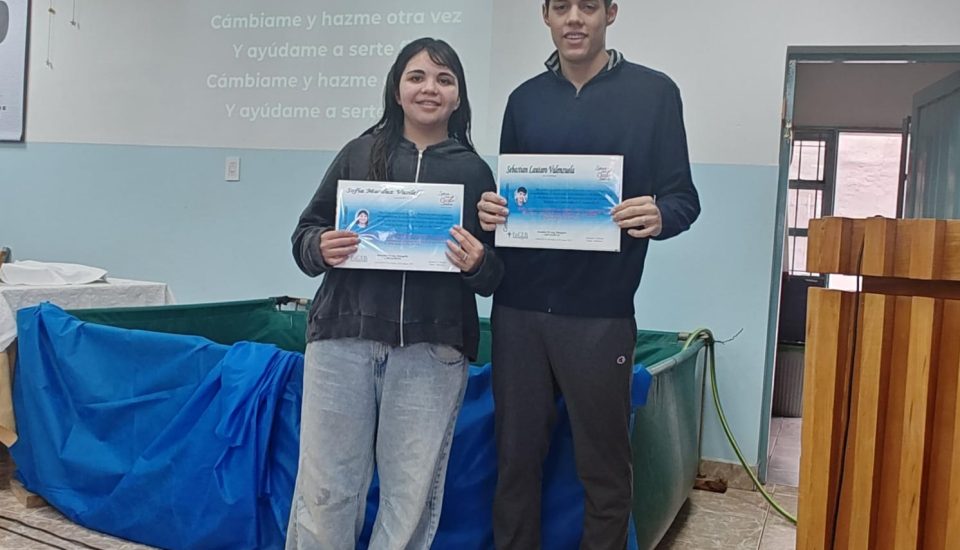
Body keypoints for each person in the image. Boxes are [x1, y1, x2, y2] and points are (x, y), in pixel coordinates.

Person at [477, 1, 701, 548]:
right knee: (514, 465)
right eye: (562, 7)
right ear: (546, 16)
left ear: (610, 13)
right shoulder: (523, 100)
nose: (574, 18)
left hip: (601, 317)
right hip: (517, 312)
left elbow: (683, 199)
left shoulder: (655, 94)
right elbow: (512, 202)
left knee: (604, 472)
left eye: (588, 6)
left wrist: (660, 214)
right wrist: (492, 213)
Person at [288, 37, 503, 550]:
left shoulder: (474, 172)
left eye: (444, 79)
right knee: (326, 490)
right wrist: (320, 245)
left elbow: (495, 275)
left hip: (432, 352)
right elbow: (304, 238)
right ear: (397, 88)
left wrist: (478, 262)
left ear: (458, 96)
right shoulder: (358, 153)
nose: (430, 88)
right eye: (417, 77)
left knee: (410, 499)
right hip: (343, 342)